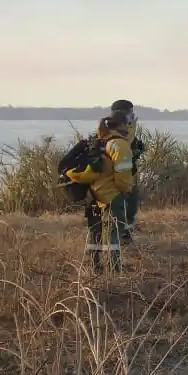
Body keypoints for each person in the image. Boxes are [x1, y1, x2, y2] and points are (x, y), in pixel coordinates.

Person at [69, 112, 135, 273]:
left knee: (96, 231)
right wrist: (125, 191)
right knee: (113, 234)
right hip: (112, 195)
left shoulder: (101, 140)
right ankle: (114, 269)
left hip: (96, 194)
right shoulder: (120, 145)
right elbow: (123, 176)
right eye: (130, 121)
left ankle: (95, 267)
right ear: (123, 124)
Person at [109, 99, 145, 243]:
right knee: (119, 207)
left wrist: (138, 149)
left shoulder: (130, 128)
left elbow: (133, 147)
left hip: (131, 173)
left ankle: (127, 233)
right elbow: (122, 146)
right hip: (117, 176)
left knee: (132, 205)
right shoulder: (112, 129)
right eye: (130, 112)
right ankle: (119, 235)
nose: (132, 115)